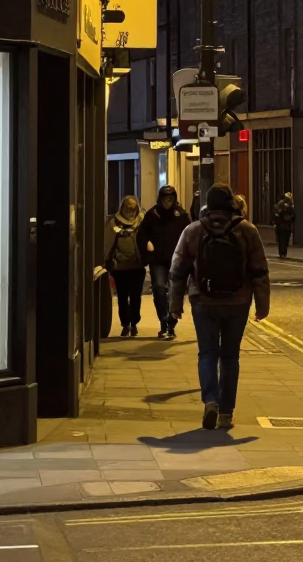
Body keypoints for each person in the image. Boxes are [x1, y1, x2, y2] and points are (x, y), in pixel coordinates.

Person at [170, 184, 270, 431]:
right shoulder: (247, 230)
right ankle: (226, 413)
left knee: (207, 354)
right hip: (238, 302)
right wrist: (262, 305)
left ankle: (211, 401)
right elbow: (259, 270)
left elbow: (178, 270)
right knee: (230, 357)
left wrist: (175, 305)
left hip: (203, 302)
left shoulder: (193, 230)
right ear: (231, 204)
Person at [138, 185, 190, 339]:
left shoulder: (181, 216)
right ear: (160, 200)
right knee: (160, 289)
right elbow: (141, 235)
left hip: (177, 260)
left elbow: (190, 236)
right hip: (158, 260)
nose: (167, 202)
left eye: (170, 199)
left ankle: (171, 323)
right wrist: (147, 243)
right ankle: (164, 321)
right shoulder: (152, 215)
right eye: (165, 199)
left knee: (175, 292)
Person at [104, 195, 146, 336]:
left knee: (135, 296)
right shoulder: (113, 222)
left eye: (133, 208)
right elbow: (108, 243)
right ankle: (125, 324)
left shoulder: (141, 220)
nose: (130, 211)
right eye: (128, 207)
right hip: (120, 267)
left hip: (137, 265)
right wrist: (106, 260)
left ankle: (133, 322)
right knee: (122, 296)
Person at [273, 191, 295, 259]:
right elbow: (294, 216)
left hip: (280, 226)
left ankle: (281, 252)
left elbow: (276, 216)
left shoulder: (278, 205)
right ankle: (284, 252)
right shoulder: (290, 206)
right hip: (287, 226)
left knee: (280, 240)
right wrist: (291, 221)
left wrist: (276, 223)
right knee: (286, 239)